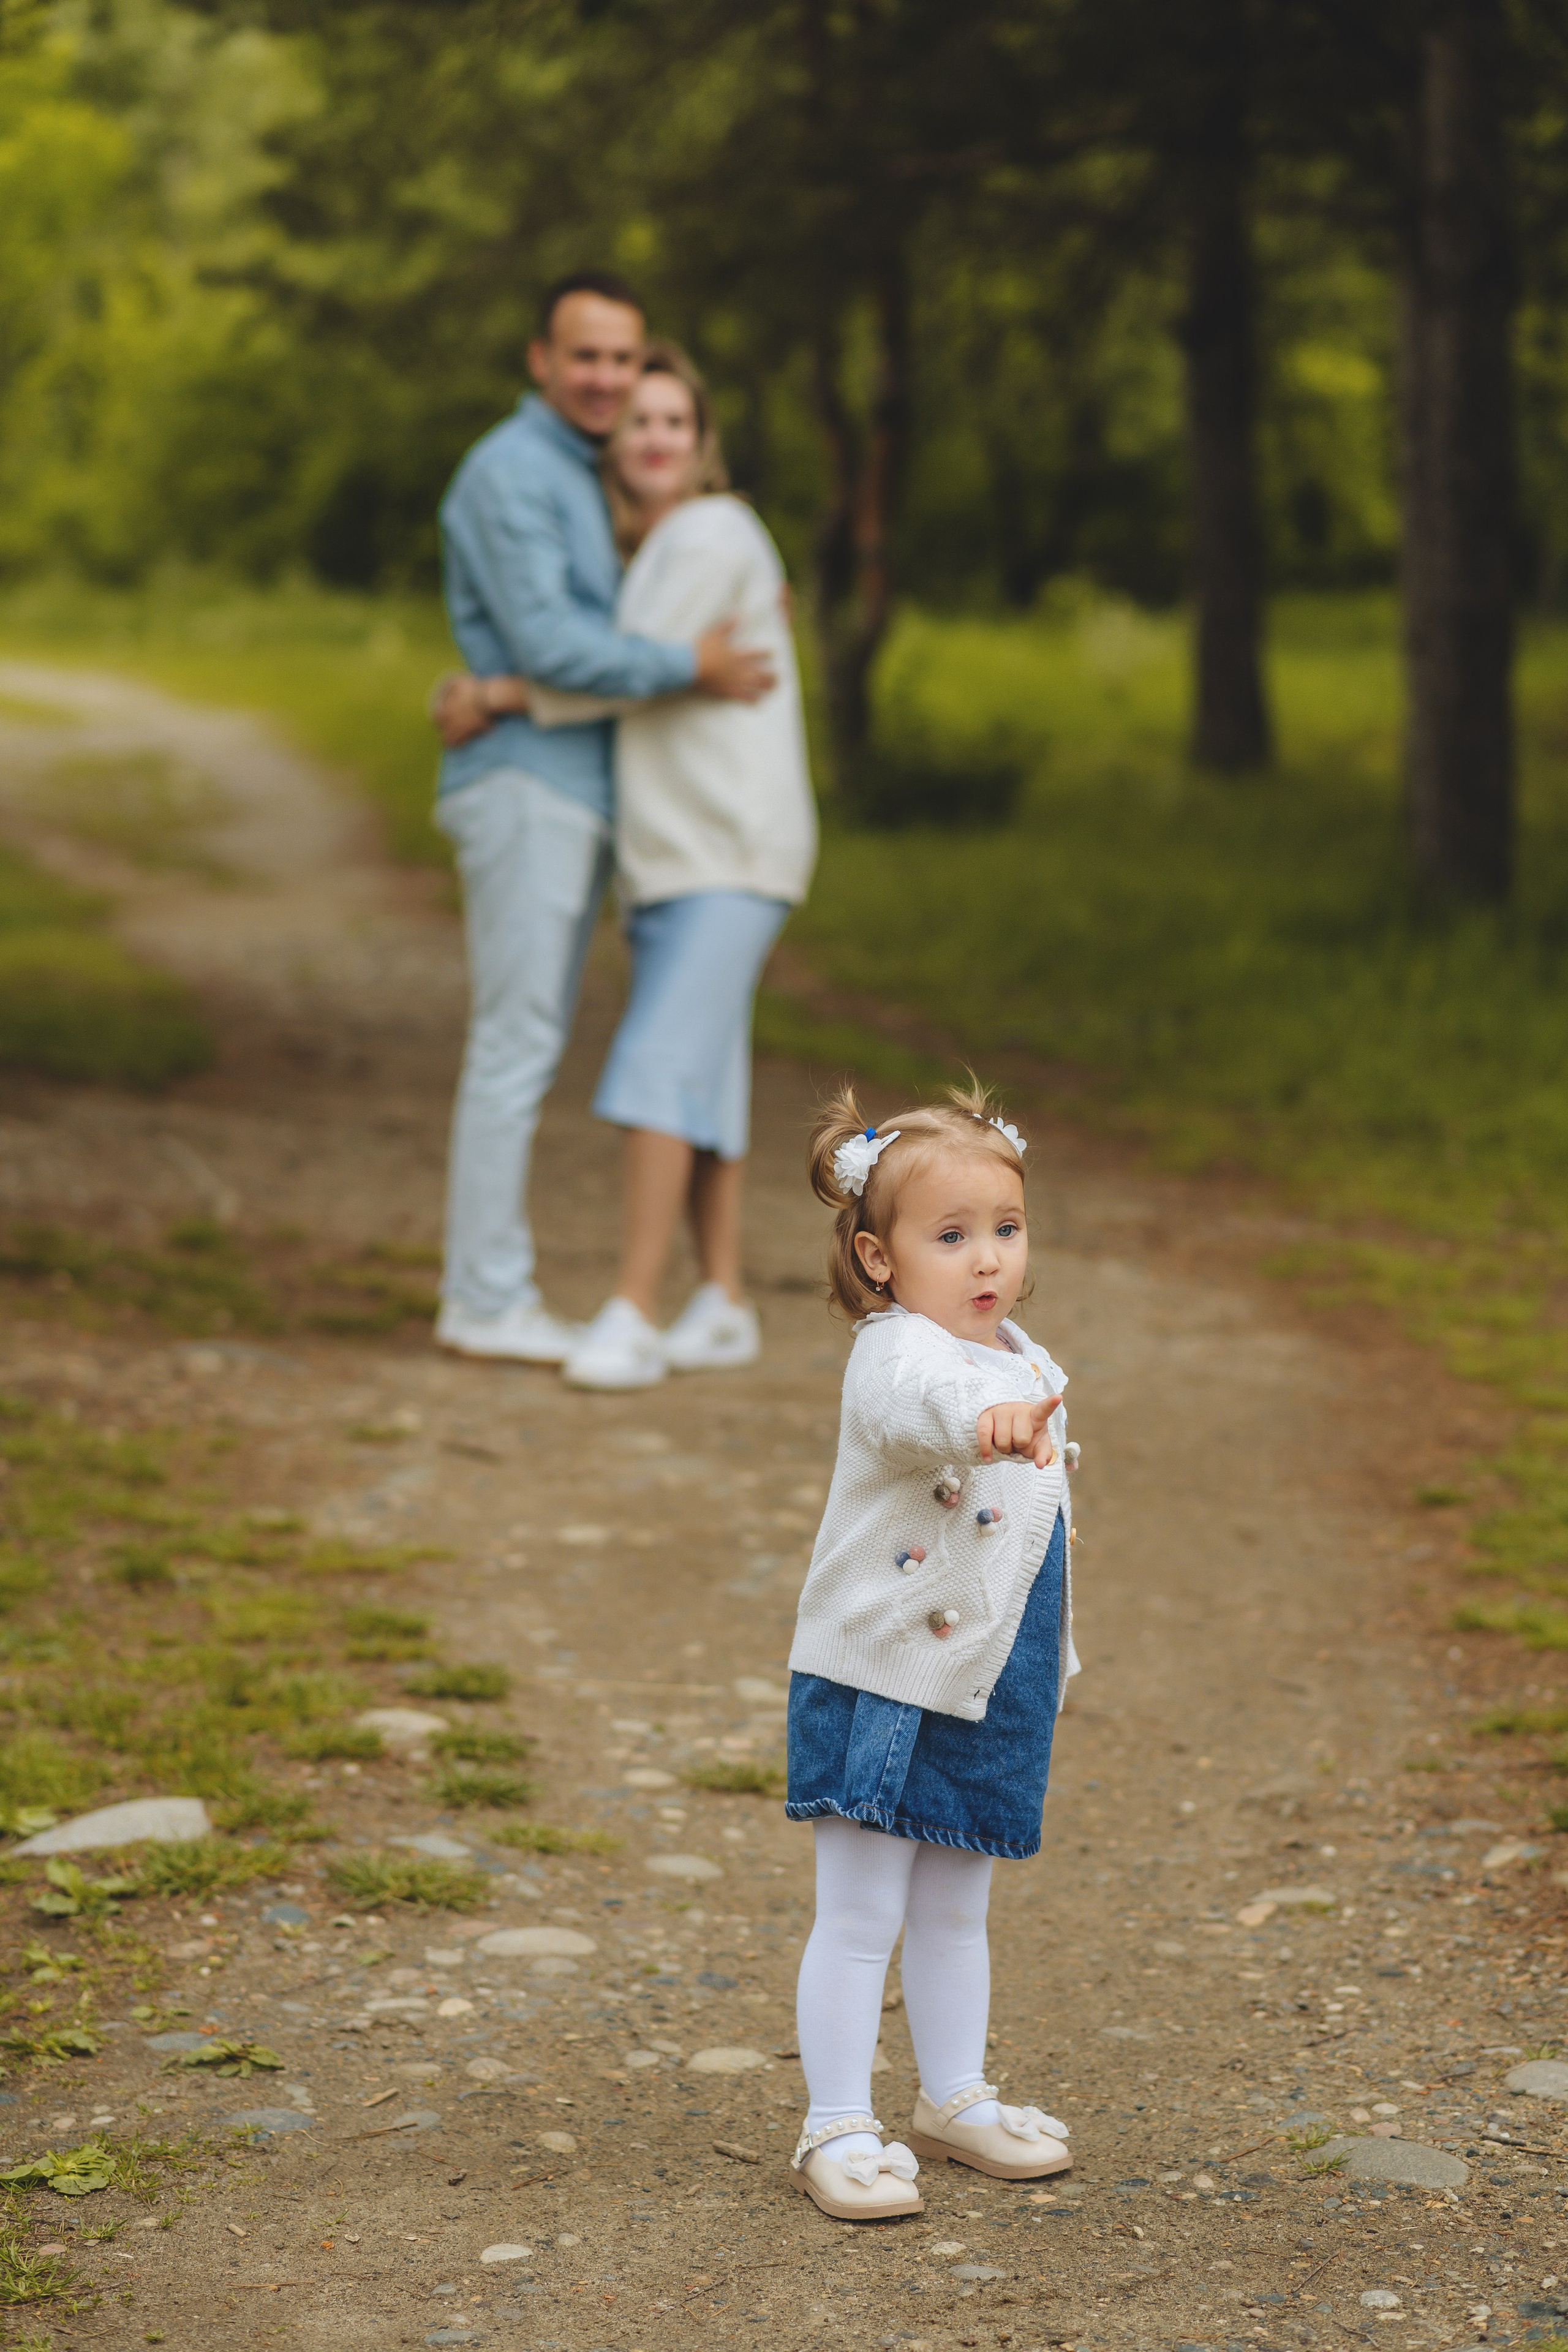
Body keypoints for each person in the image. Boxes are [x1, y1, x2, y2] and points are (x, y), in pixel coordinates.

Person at [437, 343, 816, 1390]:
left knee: (655, 1069)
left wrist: (495, 695)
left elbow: (616, 670)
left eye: (675, 424)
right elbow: (642, 659)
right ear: (612, 449)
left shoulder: (707, 530)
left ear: (703, 447)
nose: (653, 438)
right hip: (677, 855)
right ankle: (725, 1299)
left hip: (726, 848)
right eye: (637, 423)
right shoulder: (661, 546)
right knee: (704, 1072)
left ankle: (632, 1307)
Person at [781, 1082, 1079, 2222]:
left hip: (986, 1685)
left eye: (1004, 1227)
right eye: (950, 1237)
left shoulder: (1014, 1351)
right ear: (878, 1256)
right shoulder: (898, 1353)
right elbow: (921, 1412)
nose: (986, 1257)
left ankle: (953, 2097)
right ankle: (836, 2125)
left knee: (960, 1907)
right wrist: (985, 1426)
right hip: (886, 1684)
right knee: (862, 1915)